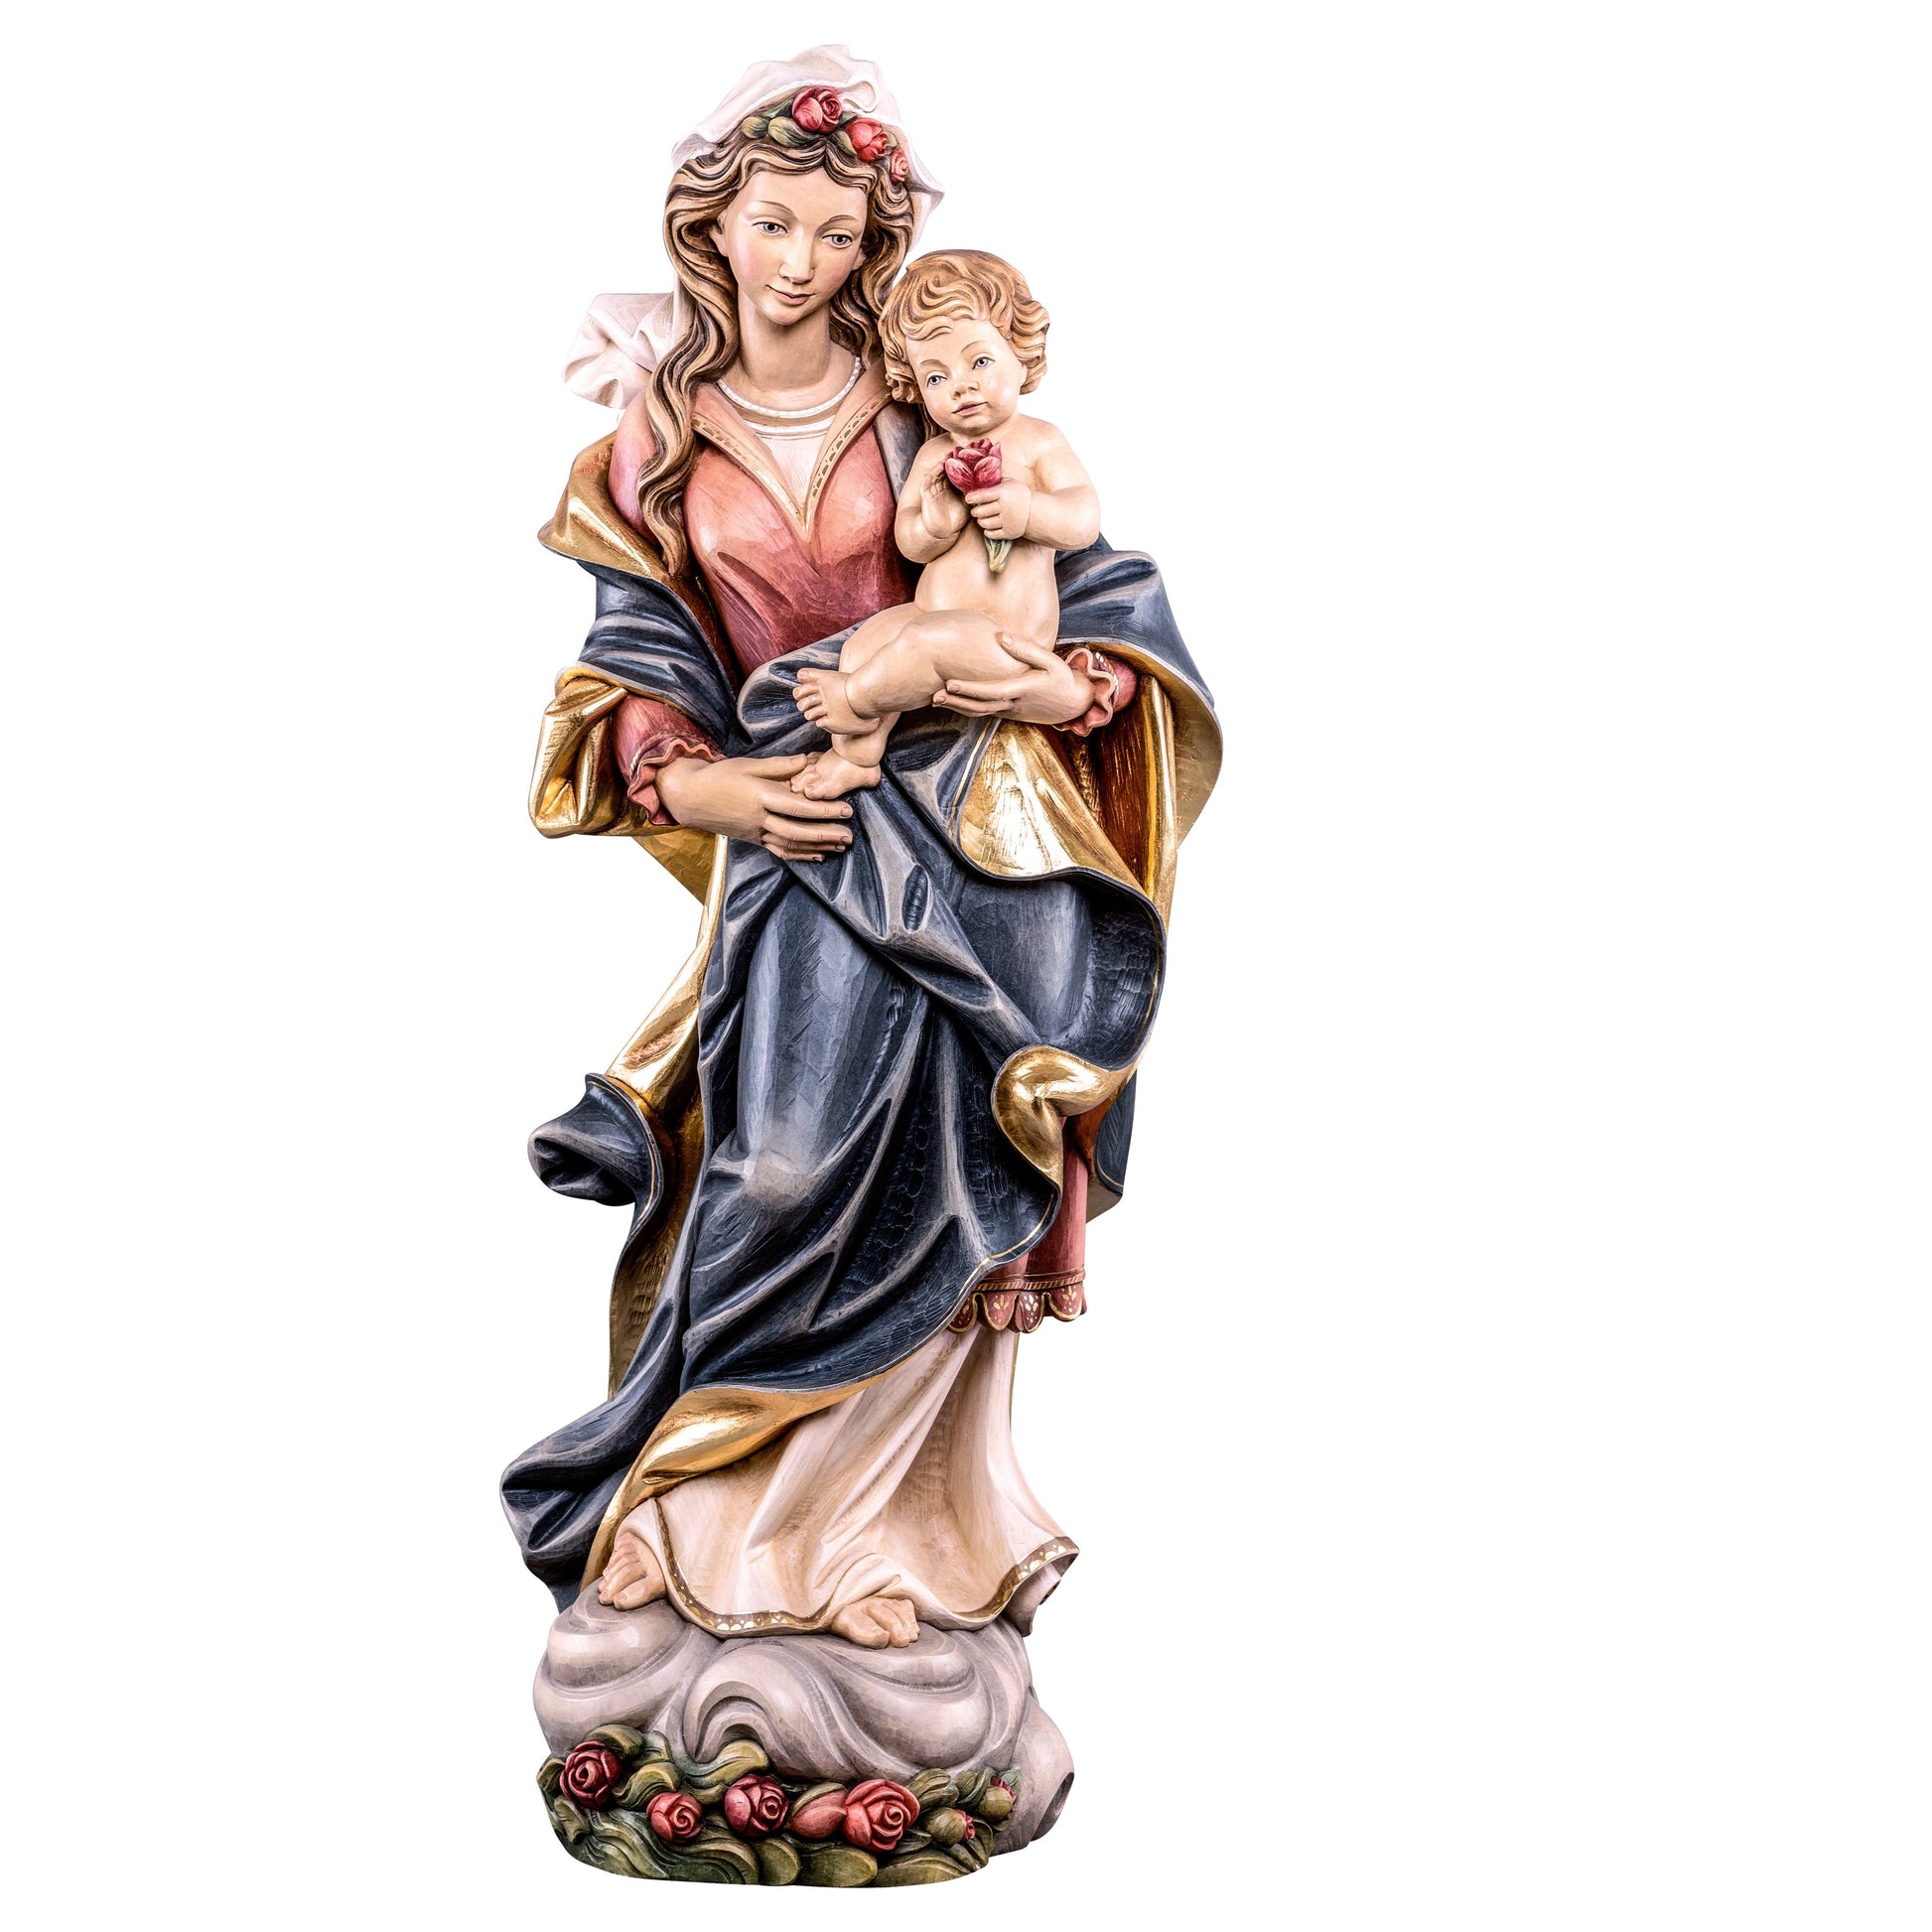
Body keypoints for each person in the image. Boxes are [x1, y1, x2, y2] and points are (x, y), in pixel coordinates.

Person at [504, 47, 1219, 1653]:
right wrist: (712, 789)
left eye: (837, 234)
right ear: (711, 223)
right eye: (773, 223)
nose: (801, 262)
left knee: (947, 1181)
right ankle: (689, 1510)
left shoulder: (927, 397)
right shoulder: (654, 439)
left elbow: (1094, 582)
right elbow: (638, 655)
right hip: (802, 832)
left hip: (973, 835)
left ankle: (895, 1543)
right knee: (773, 1171)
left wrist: (1074, 686)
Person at [791, 250, 1102, 799]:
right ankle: (856, 758)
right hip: (931, 616)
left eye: (979, 361)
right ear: (914, 384)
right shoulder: (934, 455)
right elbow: (909, 542)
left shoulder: (1039, 441)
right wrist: (934, 523)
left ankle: (855, 699)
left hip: (1007, 641)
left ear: (1021, 354)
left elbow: (1083, 519)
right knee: (864, 647)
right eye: (936, 376)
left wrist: (1029, 512)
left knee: (922, 645)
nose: (961, 386)